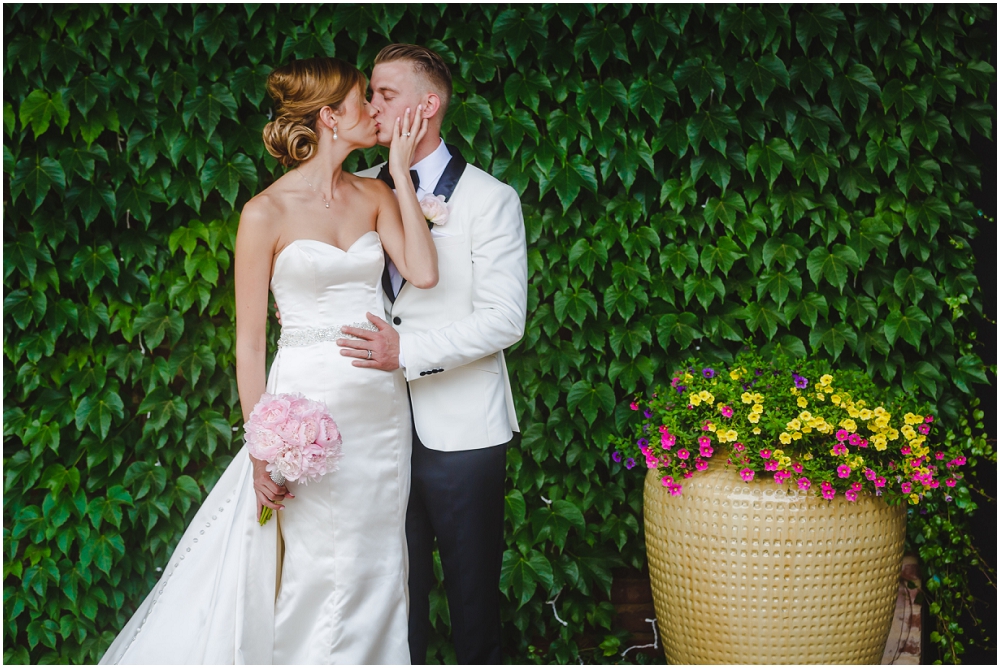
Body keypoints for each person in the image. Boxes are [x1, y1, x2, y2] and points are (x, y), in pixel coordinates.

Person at [100, 57, 436, 664]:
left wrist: (401, 178)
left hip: (381, 414)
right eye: (363, 101)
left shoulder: (376, 195)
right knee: (314, 565)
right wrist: (264, 444)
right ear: (331, 117)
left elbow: (424, 271)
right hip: (308, 410)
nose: (374, 112)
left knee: (382, 558)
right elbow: (250, 344)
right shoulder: (264, 213)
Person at [340, 44, 528, 664]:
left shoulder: (490, 199)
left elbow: (504, 319)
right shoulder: (356, 194)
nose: (370, 106)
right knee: (393, 595)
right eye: (370, 93)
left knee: (473, 598)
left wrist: (407, 351)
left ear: (429, 105)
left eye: (385, 95)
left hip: (465, 431)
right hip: (374, 429)